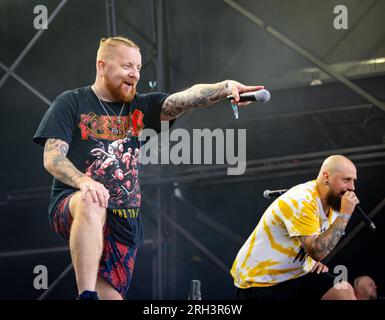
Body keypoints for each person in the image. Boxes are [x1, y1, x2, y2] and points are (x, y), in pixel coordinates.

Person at [33, 36, 264, 300]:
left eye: (139, 68)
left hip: (124, 221)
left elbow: (186, 98)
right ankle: (85, 296)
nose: (135, 74)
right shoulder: (72, 102)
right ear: (102, 66)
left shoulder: (141, 106)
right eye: (127, 66)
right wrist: (84, 181)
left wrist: (225, 87)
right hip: (74, 204)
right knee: (90, 201)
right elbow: (52, 157)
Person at [231, 155, 360, 300]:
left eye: (353, 181)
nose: (352, 188)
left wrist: (311, 262)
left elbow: (318, 244)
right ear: (326, 177)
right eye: (346, 180)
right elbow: (318, 251)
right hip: (262, 282)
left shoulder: (335, 203)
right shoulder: (302, 200)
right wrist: (345, 215)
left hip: (295, 274)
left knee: (343, 291)